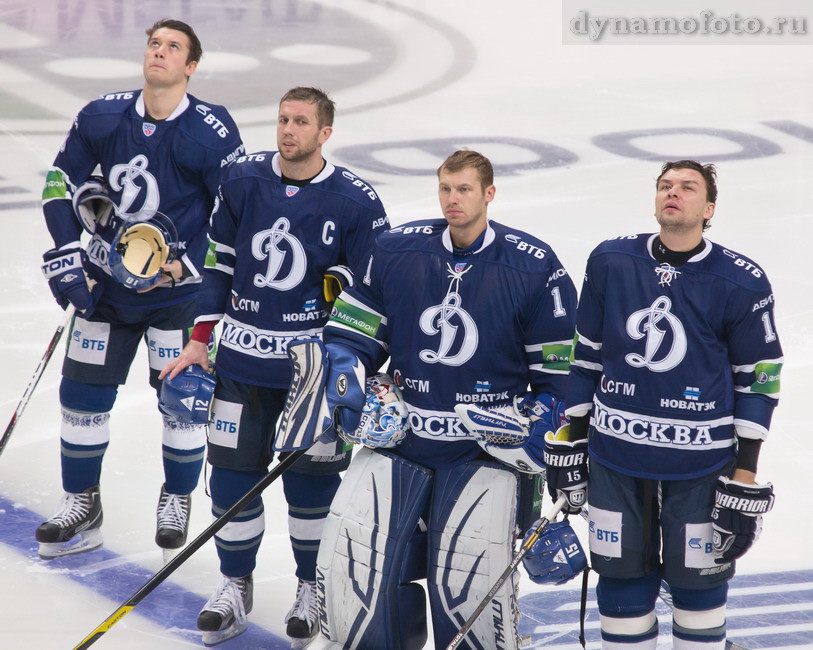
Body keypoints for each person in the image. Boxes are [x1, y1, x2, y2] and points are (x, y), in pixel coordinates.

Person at [309, 149, 578, 649]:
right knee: (362, 589)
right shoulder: (396, 250)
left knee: (468, 601)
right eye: (446, 189)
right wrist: (348, 369)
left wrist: (542, 424)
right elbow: (353, 333)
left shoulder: (534, 266)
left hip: (483, 452)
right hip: (401, 440)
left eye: (465, 190)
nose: (453, 200)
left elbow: (561, 378)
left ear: (489, 194)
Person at [159, 86, 389, 647]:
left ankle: (311, 586)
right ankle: (235, 584)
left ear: (325, 133)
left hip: (310, 374)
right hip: (239, 365)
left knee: (312, 491)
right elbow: (218, 265)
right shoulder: (241, 181)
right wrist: (198, 339)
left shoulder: (357, 203)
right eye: (283, 119)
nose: (288, 130)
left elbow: (373, 295)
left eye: (301, 122)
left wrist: (361, 367)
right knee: (233, 483)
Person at [36, 19, 244, 560]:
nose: (160, 52)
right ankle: (82, 503)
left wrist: (180, 271)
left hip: (176, 298)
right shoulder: (103, 115)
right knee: (81, 398)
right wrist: (66, 252)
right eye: (154, 43)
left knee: (182, 404)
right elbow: (61, 180)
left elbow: (232, 215)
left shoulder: (211, 132)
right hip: (105, 288)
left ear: (190, 67)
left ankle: (176, 497)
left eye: (173, 47)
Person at [559, 160, 782, 648]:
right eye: (664, 186)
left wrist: (744, 473)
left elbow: (758, 381)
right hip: (616, 461)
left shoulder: (740, 282)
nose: (672, 193)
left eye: (687, 187)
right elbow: (586, 359)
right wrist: (571, 441)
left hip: (700, 467)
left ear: (709, 208)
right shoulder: (611, 261)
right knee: (620, 587)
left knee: (699, 589)